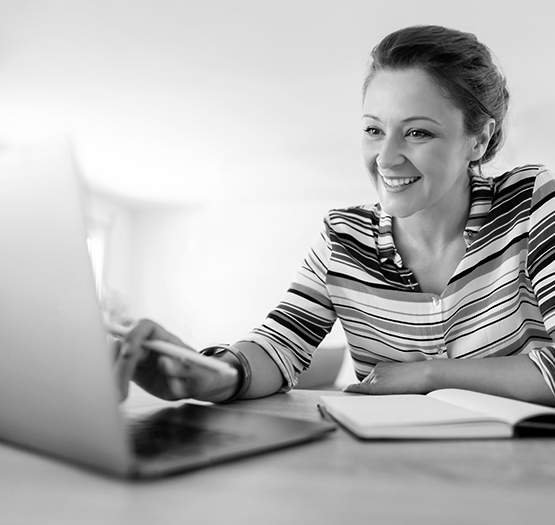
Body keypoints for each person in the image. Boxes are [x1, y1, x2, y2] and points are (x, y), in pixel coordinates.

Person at [114, 24, 555, 407]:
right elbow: (280, 343)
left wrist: (429, 374)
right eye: (373, 130)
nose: (386, 158)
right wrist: (213, 373)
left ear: (478, 140)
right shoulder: (344, 237)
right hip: (394, 476)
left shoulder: (532, 202)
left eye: (417, 132)